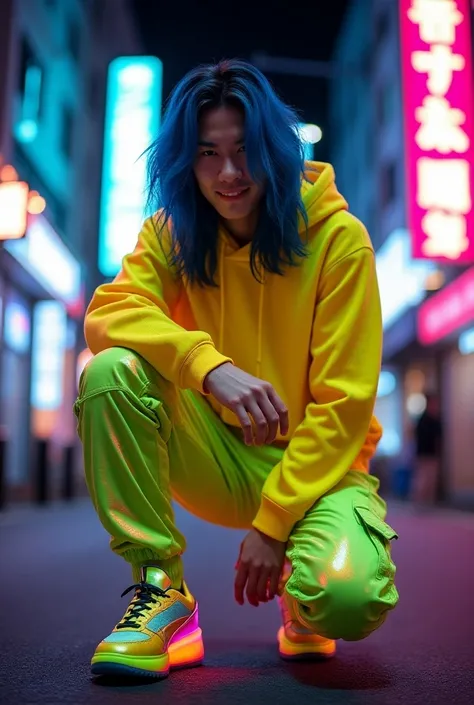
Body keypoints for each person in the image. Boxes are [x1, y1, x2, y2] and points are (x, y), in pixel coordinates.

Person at [75, 59, 399, 680]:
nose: (229, 173)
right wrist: (205, 365)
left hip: (319, 472)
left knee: (349, 599)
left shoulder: (338, 240)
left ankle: (304, 595)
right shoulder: (173, 233)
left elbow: (344, 405)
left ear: (276, 148)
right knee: (109, 370)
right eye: (207, 153)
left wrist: (275, 525)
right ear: (185, 163)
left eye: (245, 150)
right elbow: (109, 310)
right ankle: (163, 594)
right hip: (214, 452)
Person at [412, 394, 443, 506]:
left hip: (433, 454)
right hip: (423, 453)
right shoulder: (423, 420)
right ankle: (419, 502)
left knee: (432, 479)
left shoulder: (436, 420)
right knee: (422, 479)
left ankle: (429, 502)